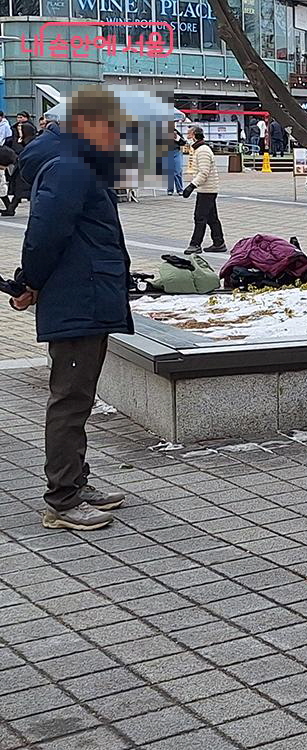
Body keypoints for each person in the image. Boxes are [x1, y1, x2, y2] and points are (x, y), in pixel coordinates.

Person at [11, 88, 133, 531]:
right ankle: (62, 500)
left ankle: (76, 483)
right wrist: (31, 282)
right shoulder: (69, 165)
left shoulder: (75, 162)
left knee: (77, 397)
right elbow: (45, 232)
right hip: (78, 296)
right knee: (70, 400)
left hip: (86, 294)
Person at [182, 126, 225, 253]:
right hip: (207, 188)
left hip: (207, 189)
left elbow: (204, 172)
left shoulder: (203, 151)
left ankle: (195, 244)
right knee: (212, 218)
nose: (187, 137)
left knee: (200, 217)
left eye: (189, 134)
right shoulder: (199, 149)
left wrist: (191, 185)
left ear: (195, 135)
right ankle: (219, 242)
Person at [164, 123, 185, 195]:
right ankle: (170, 189)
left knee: (178, 171)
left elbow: (183, 142)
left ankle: (180, 189)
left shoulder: (176, 132)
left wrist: (176, 138)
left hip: (176, 152)